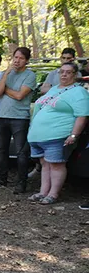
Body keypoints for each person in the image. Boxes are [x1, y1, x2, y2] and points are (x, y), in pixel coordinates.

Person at [27, 62, 89, 204]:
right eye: (61, 72)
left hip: (58, 134)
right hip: (39, 135)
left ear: (75, 75)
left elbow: (82, 115)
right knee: (45, 164)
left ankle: (53, 194)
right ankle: (43, 192)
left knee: (56, 164)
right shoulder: (54, 89)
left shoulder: (79, 92)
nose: (64, 75)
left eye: (68, 72)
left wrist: (74, 135)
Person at [0, 47, 37, 193]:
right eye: (15, 57)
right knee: (2, 149)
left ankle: (22, 183)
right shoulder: (5, 73)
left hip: (19, 118)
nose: (17, 60)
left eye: (21, 58)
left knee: (21, 152)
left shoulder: (30, 75)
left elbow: (20, 95)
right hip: (2, 116)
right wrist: (6, 74)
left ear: (26, 60)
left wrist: (5, 89)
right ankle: (2, 179)